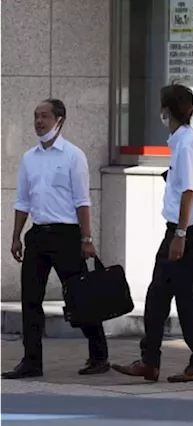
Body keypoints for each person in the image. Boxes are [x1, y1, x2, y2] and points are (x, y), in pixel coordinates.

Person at [2, 99, 109, 379]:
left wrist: (87, 238)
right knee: (31, 299)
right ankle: (31, 361)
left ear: (60, 120)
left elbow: (82, 201)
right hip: (37, 235)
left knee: (80, 297)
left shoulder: (74, 156)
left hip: (67, 235)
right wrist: (16, 237)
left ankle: (99, 355)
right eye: (35, 116)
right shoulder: (29, 158)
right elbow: (22, 201)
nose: (39, 121)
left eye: (45, 116)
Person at [112, 84, 193, 383]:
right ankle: (150, 360)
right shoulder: (183, 140)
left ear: (166, 110)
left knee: (184, 300)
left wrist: (180, 234)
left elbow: (189, 190)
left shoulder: (185, 142)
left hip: (185, 232)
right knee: (158, 297)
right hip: (181, 230)